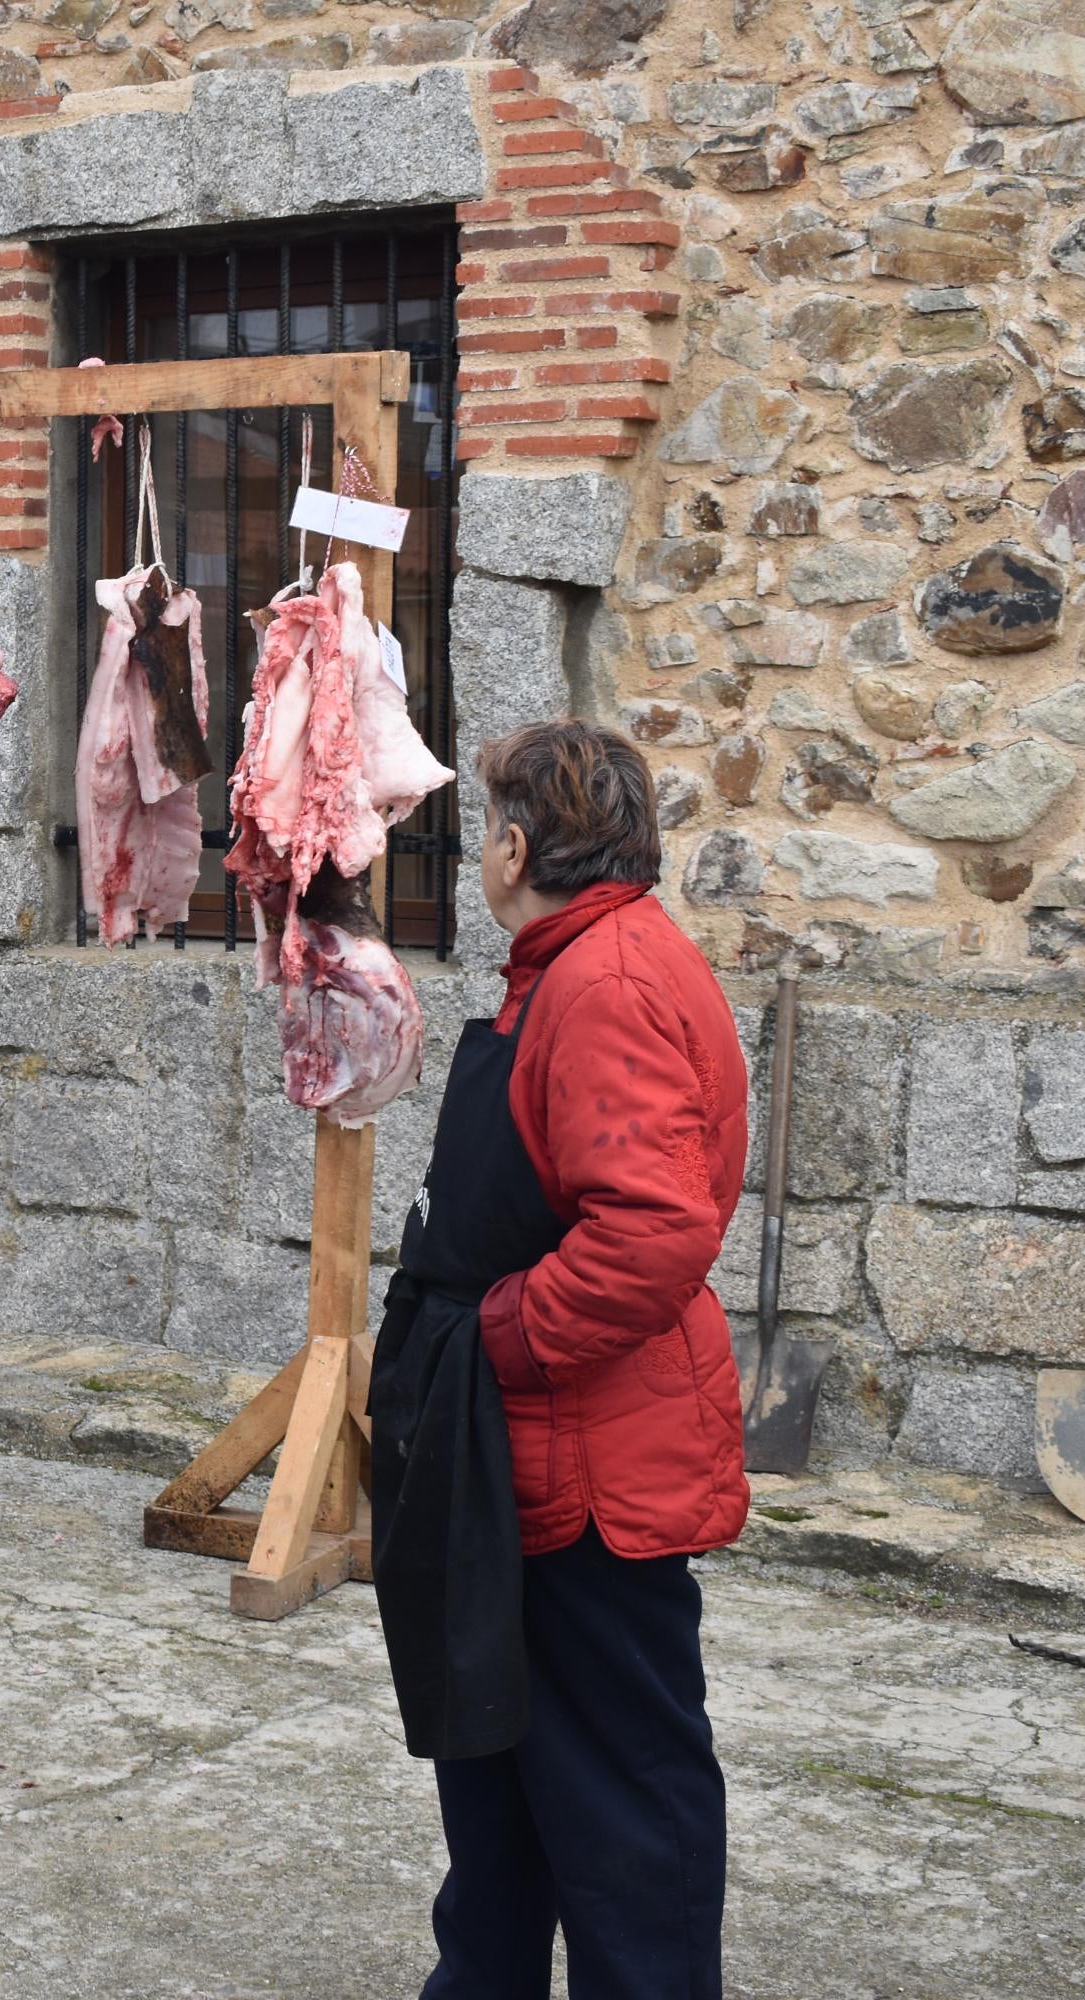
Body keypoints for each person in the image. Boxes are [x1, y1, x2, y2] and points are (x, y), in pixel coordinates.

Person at [367, 719, 749, 2000]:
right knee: (504, 1812)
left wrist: (493, 1337)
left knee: (626, 1827)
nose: (482, 851)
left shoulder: (608, 983)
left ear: (520, 845)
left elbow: (655, 1230)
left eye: (488, 830)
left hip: (592, 1490)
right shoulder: (576, 964)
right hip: (521, 1476)